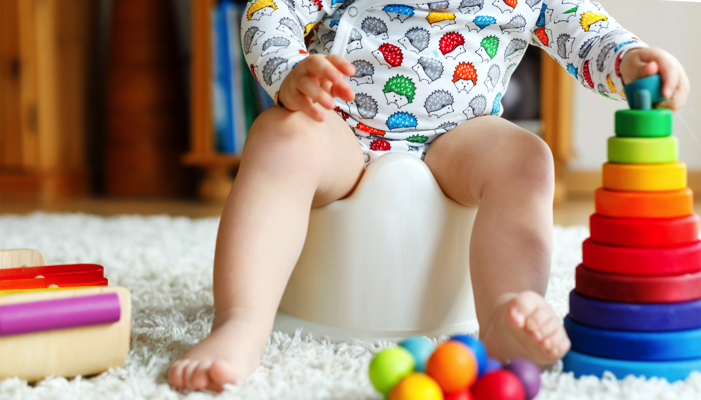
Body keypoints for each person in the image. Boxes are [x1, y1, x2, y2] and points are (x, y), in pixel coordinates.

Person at [169, 0, 690, 391]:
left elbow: (584, 30)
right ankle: (241, 323)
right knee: (279, 137)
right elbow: (272, 9)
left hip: (460, 140)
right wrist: (290, 72)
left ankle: (506, 309)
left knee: (527, 158)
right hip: (342, 127)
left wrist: (632, 60)